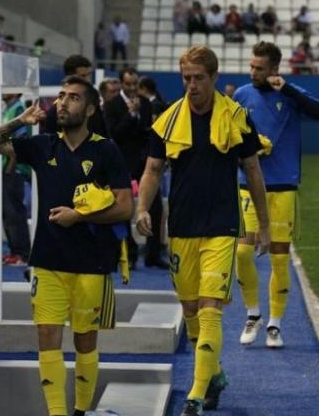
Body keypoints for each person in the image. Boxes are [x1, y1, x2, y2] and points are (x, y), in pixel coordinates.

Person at [0, 76, 133, 416]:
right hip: (47, 261)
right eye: (61, 96)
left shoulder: (105, 150)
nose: (63, 102)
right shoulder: (42, 145)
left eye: (73, 98)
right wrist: (21, 120)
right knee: (47, 338)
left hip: (92, 262)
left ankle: (80, 409)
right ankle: (57, 413)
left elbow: (126, 207)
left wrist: (78, 216)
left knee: (84, 341)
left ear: (90, 109)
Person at [135, 45, 271, 415]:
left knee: (211, 307)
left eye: (198, 78)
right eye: (186, 79)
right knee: (191, 309)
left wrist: (264, 224)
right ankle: (215, 374)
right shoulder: (167, 120)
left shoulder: (236, 118)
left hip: (222, 225)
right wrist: (141, 209)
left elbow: (254, 171)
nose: (191, 85)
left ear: (213, 78)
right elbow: (151, 170)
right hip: (182, 225)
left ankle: (194, 395)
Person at [234, 41, 319, 348]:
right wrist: (250, 146)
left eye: (259, 68)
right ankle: (253, 314)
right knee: (242, 253)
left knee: (278, 260)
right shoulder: (241, 96)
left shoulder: (290, 94)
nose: (253, 72)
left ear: (274, 69)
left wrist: (286, 89)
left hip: (282, 189)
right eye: (251, 66)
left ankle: (275, 323)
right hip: (248, 187)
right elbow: (231, 135)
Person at [104, 68, 167, 269]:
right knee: (122, 209)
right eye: (128, 84)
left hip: (145, 162)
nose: (132, 88)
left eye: (135, 84)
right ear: (122, 84)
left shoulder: (146, 103)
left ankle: (153, 255)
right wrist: (130, 114)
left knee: (155, 208)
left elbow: (149, 132)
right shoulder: (112, 105)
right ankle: (129, 255)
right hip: (122, 163)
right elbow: (114, 134)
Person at [0, 94, 31, 268]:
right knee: (8, 212)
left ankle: (22, 254)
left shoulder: (18, 110)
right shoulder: (10, 108)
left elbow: (20, 141)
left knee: (14, 212)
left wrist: (11, 166)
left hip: (13, 170)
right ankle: (15, 252)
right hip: (9, 169)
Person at [41, 55, 107, 137]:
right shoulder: (56, 111)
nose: (88, 80)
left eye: (89, 75)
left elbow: (102, 132)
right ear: (70, 78)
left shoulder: (93, 103)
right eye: (83, 76)